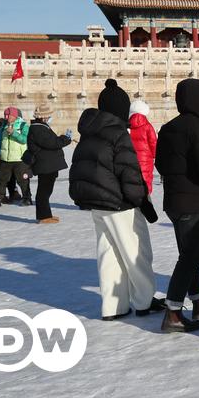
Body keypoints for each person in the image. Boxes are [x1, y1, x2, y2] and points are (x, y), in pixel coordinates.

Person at [69, 79, 165, 322]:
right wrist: (142, 201)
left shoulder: (88, 132)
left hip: (97, 203)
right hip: (120, 204)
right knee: (136, 252)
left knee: (108, 254)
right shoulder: (118, 133)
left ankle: (113, 306)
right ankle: (144, 301)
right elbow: (129, 173)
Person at [155, 78, 199, 333]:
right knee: (190, 257)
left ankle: (198, 302)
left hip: (174, 201)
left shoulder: (168, 128)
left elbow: (160, 163)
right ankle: (173, 312)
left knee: (188, 253)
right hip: (194, 202)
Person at [25, 104, 72, 223]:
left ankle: (46, 215)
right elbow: (51, 143)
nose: (50, 117)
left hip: (48, 164)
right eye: (49, 115)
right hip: (45, 164)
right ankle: (43, 217)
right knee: (44, 191)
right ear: (43, 116)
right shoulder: (38, 128)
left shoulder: (41, 127)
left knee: (46, 190)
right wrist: (65, 139)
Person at [0, 106, 31, 207]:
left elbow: (25, 139)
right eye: (5, 115)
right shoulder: (3, 125)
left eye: (8, 115)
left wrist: (14, 133)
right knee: (2, 181)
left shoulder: (23, 125)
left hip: (19, 159)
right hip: (5, 159)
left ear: (15, 116)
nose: (6, 117)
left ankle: (27, 198)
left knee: (23, 181)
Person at [128, 100, 157, 194]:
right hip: (145, 159)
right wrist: (154, 155)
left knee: (132, 180)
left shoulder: (127, 126)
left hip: (131, 158)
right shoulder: (148, 126)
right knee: (146, 179)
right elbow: (153, 143)